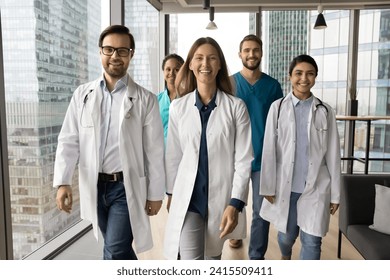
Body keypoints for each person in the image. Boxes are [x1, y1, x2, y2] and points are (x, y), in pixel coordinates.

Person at [53, 25, 165, 260]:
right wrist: (63, 182)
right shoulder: (82, 95)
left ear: (131, 54)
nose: (115, 56)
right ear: (100, 52)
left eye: (122, 50)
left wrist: (155, 194)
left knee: (113, 249)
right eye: (109, 49)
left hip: (126, 188)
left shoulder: (146, 99)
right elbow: (69, 139)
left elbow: (154, 151)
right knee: (118, 248)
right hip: (94, 184)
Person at [163, 37, 253, 260]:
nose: (206, 64)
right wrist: (171, 193)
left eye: (212, 58)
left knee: (213, 258)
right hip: (189, 199)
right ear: (191, 65)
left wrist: (235, 203)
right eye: (199, 58)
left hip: (222, 199)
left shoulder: (236, 107)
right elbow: (174, 155)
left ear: (220, 64)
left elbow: (243, 160)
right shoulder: (178, 107)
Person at [259, 54, 341, 260]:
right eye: (299, 73)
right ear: (289, 76)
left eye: (310, 74)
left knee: (312, 241)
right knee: (287, 236)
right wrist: (267, 185)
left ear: (315, 77)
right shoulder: (277, 108)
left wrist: (335, 194)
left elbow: (333, 153)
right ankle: (285, 255)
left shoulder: (325, 111)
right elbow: (269, 149)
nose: (304, 78)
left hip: (316, 187)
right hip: (286, 186)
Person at [229, 34, 283, 260]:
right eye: (247, 50)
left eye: (255, 50)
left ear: (261, 53)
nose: (251, 54)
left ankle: (256, 258)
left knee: (261, 212)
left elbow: (280, 124)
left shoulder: (272, 86)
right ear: (240, 54)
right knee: (234, 204)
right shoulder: (230, 83)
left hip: (263, 158)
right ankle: (236, 234)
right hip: (235, 157)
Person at [157, 53, 184, 145]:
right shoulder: (156, 100)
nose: (171, 73)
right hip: (161, 152)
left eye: (176, 69)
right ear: (163, 72)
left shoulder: (189, 99)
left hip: (182, 150)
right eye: (168, 69)